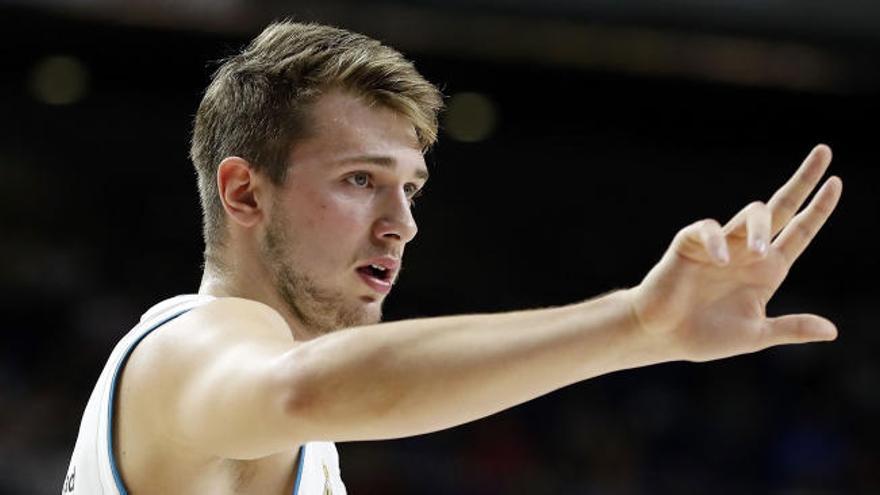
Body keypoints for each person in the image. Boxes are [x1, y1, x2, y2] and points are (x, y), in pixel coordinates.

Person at [62, 20, 843, 495]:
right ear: (244, 193)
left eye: (411, 189)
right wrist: (636, 324)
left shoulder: (284, 430)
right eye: (360, 180)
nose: (401, 223)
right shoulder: (185, 347)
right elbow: (302, 389)